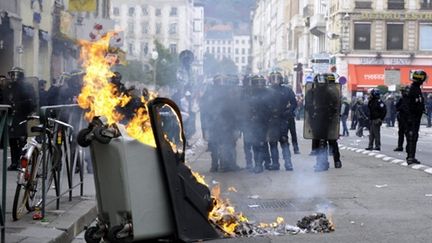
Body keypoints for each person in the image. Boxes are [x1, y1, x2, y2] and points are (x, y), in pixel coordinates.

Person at [304, 73, 342, 172]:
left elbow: (336, 105)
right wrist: (313, 114)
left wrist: (331, 115)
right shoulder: (311, 93)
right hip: (317, 119)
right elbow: (307, 106)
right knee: (320, 140)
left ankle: (335, 160)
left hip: (327, 119)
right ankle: (322, 162)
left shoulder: (331, 92)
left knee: (331, 140)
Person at [3, 67, 36, 171]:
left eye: (15, 74)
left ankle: (23, 161)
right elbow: (4, 99)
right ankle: (14, 162)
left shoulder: (27, 86)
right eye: (12, 74)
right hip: (11, 117)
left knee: (22, 140)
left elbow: (31, 102)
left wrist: (18, 105)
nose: (13, 76)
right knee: (12, 140)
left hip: (23, 116)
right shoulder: (8, 87)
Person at [266, 72, 294, 171]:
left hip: (283, 119)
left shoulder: (287, 90)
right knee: (273, 143)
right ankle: (275, 163)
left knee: (284, 141)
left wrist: (288, 112)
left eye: (277, 78)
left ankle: (288, 163)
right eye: (273, 78)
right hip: (271, 120)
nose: (275, 80)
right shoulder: (267, 91)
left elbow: (294, 103)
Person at [403, 70, 427, 164]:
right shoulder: (412, 89)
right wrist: (409, 118)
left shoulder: (417, 88)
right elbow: (407, 105)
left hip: (416, 117)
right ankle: (410, 156)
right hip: (412, 118)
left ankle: (411, 156)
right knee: (411, 137)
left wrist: (422, 108)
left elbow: (418, 102)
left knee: (414, 136)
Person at [394, 86, 409, 152]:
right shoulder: (402, 99)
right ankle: (401, 146)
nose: (402, 93)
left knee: (406, 133)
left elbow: (399, 107)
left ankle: (405, 146)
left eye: (402, 91)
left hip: (405, 118)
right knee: (402, 133)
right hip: (403, 118)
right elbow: (397, 106)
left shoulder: (406, 99)